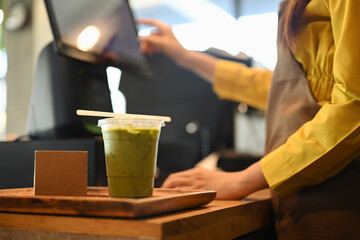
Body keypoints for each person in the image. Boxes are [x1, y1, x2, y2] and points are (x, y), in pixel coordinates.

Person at [137, 0, 360, 239]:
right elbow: (285, 90)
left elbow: (353, 107)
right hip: (304, 202)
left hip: (339, 202)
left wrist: (243, 179)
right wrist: (185, 56)